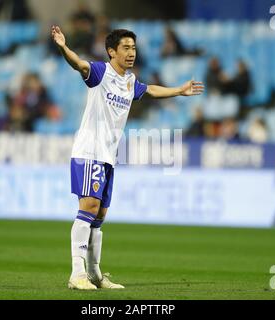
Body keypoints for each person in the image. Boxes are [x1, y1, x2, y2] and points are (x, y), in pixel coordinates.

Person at [51, 26, 204, 290]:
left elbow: (151, 90)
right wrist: (64, 47)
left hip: (108, 156)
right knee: (87, 208)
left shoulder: (130, 81)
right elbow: (78, 64)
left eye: (133, 48)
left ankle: (96, 275)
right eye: (126, 48)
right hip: (89, 151)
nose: (131, 52)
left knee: (100, 214)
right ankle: (77, 274)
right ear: (112, 51)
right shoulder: (101, 73)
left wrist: (179, 90)